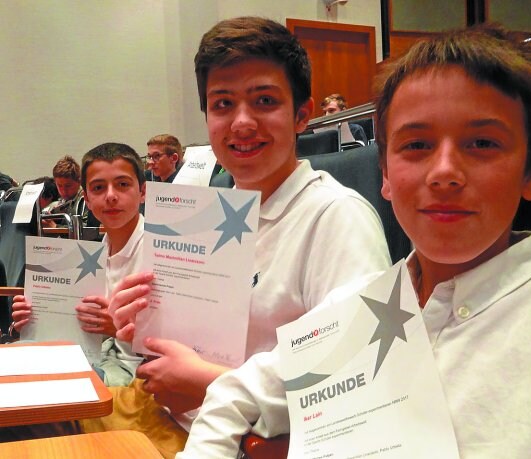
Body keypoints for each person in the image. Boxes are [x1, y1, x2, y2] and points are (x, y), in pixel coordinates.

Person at [180, 24, 531, 458]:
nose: (444, 171)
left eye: (482, 143)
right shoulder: (358, 307)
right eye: (417, 144)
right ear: (385, 174)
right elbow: (231, 398)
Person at [86, 16, 392, 458]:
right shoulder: (207, 215)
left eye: (264, 100)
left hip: (236, 442)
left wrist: (206, 383)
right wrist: (140, 328)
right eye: (223, 104)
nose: (241, 123)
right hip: (161, 411)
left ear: (302, 114)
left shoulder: (335, 217)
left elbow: (355, 377)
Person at [11, 143, 146, 386]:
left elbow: (186, 343)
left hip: (134, 372)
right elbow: (90, 326)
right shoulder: (96, 253)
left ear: (143, 191)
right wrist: (35, 319)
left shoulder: (162, 254)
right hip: (96, 355)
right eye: (98, 187)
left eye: (123, 184)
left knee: (32, 387)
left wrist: (117, 328)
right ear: (87, 198)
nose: (111, 195)